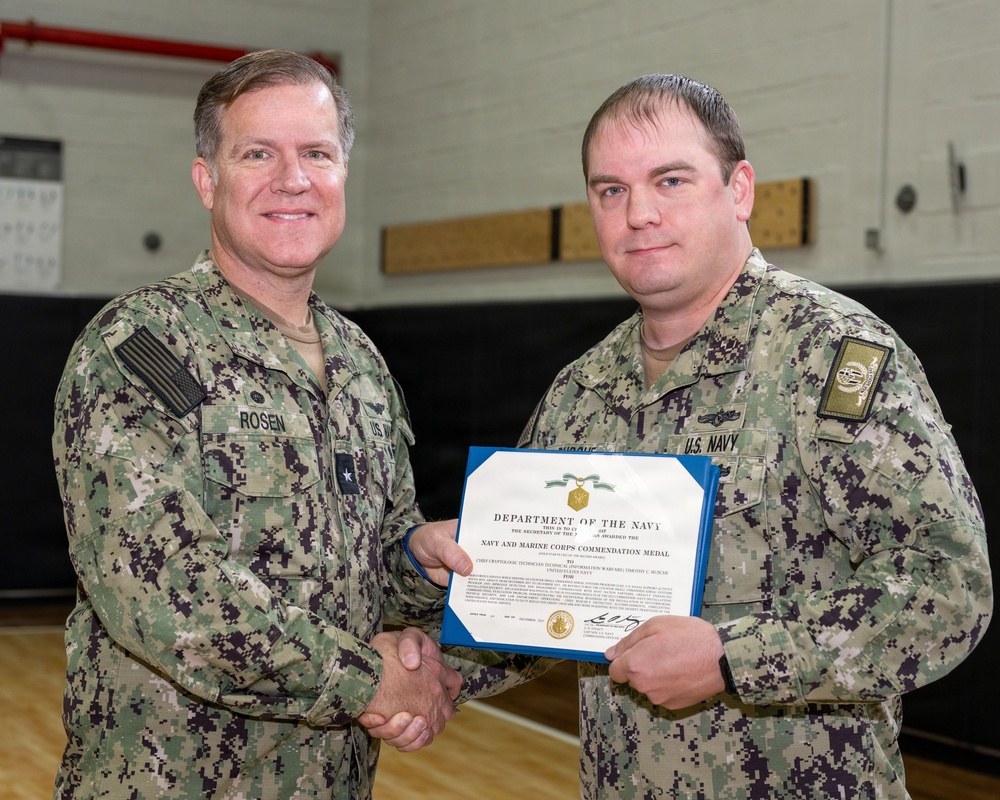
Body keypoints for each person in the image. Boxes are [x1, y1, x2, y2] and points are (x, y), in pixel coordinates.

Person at [515, 74, 993, 798]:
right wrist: (426, 650)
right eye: (610, 190)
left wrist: (735, 658)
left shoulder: (833, 356)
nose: (638, 213)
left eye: (669, 180)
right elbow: (533, 595)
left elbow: (948, 588)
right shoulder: (582, 391)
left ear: (739, 190)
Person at [51, 49, 476, 799]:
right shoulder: (139, 347)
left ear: (343, 173)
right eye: (258, 154)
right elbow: (167, 594)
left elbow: (370, 573)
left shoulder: (361, 364)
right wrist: (369, 682)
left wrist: (417, 559)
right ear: (207, 180)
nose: (293, 179)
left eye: (316, 153)